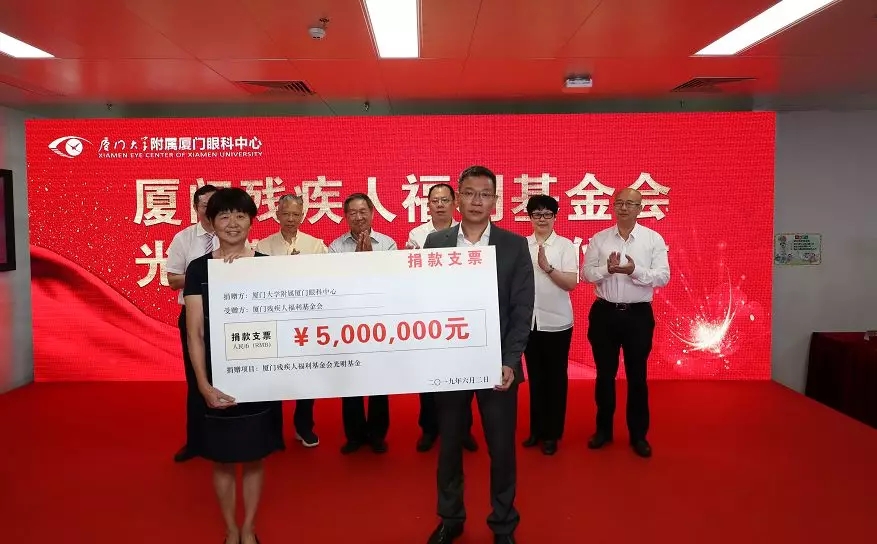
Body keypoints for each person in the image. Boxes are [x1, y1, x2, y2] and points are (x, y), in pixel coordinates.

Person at [424, 166, 534, 544]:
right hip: (450, 363)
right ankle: (451, 518)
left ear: (495, 201)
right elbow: (426, 303)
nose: (476, 201)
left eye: (484, 194)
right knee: (449, 447)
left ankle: (503, 523)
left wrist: (510, 361)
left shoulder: (513, 245)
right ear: (457, 199)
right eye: (469, 193)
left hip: (497, 366)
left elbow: (522, 308)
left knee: (501, 449)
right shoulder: (436, 243)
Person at [184, 187, 285, 544]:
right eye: (224, 216)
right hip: (219, 379)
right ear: (211, 222)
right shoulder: (199, 269)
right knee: (223, 459)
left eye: (240, 215)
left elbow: (285, 319)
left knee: (255, 457)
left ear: (251, 221)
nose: (232, 223)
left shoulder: (266, 266)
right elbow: (195, 333)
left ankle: (249, 528)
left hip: (260, 378)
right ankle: (230, 529)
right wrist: (203, 384)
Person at [581, 187, 670, 458]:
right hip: (604, 314)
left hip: (638, 316)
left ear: (640, 209)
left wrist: (635, 271)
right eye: (619, 203)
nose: (624, 208)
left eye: (630, 204)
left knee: (637, 376)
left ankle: (638, 435)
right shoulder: (599, 238)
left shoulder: (653, 239)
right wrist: (606, 270)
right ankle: (603, 430)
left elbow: (663, 277)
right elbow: (586, 274)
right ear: (613, 206)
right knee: (604, 375)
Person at [406, 183, 477, 454]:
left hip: (460, 313)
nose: (439, 205)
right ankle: (429, 429)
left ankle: (463, 429)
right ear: (427, 205)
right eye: (434, 200)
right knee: (429, 376)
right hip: (429, 314)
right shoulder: (417, 234)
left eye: (444, 200)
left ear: (454, 203)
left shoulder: (466, 232)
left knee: (463, 376)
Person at [256, 194, 327, 448]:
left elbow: (325, 280)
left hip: (306, 320)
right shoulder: (262, 246)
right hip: (274, 319)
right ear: (277, 215)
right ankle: (272, 429)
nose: (290, 219)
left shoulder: (316, 245)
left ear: (303, 216)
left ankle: (304, 425)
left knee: (306, 376)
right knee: (273, 376)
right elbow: (258, 283)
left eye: (296, 214)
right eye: (286, 214)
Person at [328, 192, 397, 454]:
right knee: (351, 381)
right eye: (352, 213)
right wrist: (357, 263)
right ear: (345, 217)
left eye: (363, 211)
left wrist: (370, 262)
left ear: (372, 213)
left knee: (379, 381)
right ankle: (354, 435)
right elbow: (334, 285)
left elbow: (392, 282)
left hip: (379, 322)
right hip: (348, 322)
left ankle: (378, 434)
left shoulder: (387, 244)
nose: (358, 217)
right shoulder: (336, 247)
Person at [520, 195, 578, 456]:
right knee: (536, 378)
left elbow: (571, 283)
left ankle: (552, 434)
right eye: (536, 214)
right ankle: (536, 430)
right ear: (530, 217)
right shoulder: (522, 245)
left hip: (557, 323)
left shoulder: (565, 246)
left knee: (555, 380)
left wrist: (548, 268)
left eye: (547, 214)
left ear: (555, 216)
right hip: (529, 323)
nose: (542, 219)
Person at [165, 183, 218, 462]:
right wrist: (205, 273)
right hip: (193, 315)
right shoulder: (183, 238)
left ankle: (226, 436)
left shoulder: (231, 235)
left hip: (226, 315)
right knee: (197, 378)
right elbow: (173, 280)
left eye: (214, 205)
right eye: (204, 205)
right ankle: (196, 441)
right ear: (196, 208)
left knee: (225, 376)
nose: (209, 210)